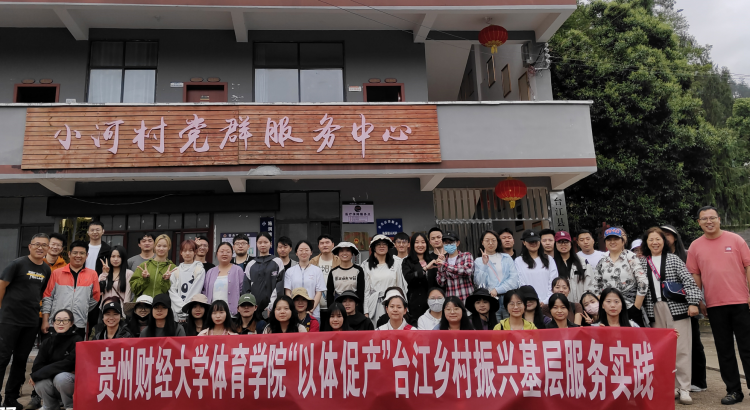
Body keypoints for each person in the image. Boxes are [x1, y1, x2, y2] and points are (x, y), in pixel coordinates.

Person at [686, 205, 750, 405]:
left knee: (747, 347)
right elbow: (695, 275)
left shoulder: (736, 240)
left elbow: (748, 266)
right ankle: (734, 391)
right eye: (704, 219)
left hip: (741, 302)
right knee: (724, 350)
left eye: (712, 218)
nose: (709, 222)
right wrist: (699, 300)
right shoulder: (695, 246)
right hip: (714, 305)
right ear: (699, 223)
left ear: (719, 219)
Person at [640, 227, 700, 405]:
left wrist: (693, 302)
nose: (655, 243)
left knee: (681, 349)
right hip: (652, 310)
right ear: (646, 243)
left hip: (676, 309)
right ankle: (669, 386)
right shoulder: (642, 262)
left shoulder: (673, 259)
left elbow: (688, 281)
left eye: (658, 239)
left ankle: (684, 388)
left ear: (664, 241)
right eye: (651, 240)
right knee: (660, 350)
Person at [0, 233, 51, 409]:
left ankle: (10, 399)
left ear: (48, 248)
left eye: (44, 245)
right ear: (30, 246)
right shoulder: (17, 264)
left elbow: (40, 293)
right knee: (2, 358)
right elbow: (2, 286)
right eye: (37, 244)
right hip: (9, 320)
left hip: (30, 322)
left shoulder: (46, 269)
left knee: (21, 360)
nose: (40, 248)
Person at [663, 224, 707, 393]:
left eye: (668, 234)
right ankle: (674, 382)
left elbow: (696, 279)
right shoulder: (657, 257)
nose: (665, 238)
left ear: (675, 237)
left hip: (688, 304)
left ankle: (699, 381)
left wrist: (697, 301)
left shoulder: (687, 255)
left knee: (694, 342)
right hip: (668, 306)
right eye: (662, 235)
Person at [42, 241, 100, 339]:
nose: (78, 256)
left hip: (79, 323)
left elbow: (95, 298)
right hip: (56, 322)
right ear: (69, 254)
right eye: (75, 253)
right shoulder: (57, 273)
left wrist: (82, 308)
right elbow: (48, 297)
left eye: (82, 253)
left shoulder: (92, 274)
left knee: (75, 349)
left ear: (87, 255)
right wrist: (45, 321)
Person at [592, 227, 648, 327]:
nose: (612, 242)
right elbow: (596, 285)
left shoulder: (631, 257)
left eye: (616, 239)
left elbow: (642, 281)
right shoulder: (602, 261)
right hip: (610, 310)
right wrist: (605, 303)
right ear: (605, 243)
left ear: (623, 241)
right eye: (609, 240)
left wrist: (636, 307)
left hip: (630, 306)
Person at [29, 309, 80, 410]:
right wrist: (37, 375)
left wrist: (40, 373)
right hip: (52, 383)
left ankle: (70, 406)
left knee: (61, 378)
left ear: (71, 323)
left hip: (68, 382)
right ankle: (50, 406)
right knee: (40, 381)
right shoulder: (47, 342)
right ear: (53, 323)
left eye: (65, 320)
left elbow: (68, 363)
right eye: (58, 320)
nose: (61, 323)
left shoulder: (77, 340)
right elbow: (37, 366)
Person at [474, 230, 519, 320]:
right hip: (491, 299)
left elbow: (514, 281)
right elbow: (479, 283)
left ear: (498, 242)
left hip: (508, 298)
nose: (490, 243)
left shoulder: (506, 258)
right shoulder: (478, 261)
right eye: (487, 240)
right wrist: (484, 265)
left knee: (510, 325)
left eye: (493, 240)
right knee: (494, 325)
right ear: (482, 242)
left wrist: (497, 290)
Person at [363, 235, 408, 326]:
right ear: (373, 247)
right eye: (378, 244)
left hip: (393, 302)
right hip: (374, 303)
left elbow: (400, 286)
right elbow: (366, 291)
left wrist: (403, 304)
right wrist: (366, 311)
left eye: (384, 244)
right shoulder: (366, 265)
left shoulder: (396, 263)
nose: (381, 246)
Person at [243, 233, 285, 320]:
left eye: (266, 242)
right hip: (254, 309)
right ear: (256, 244)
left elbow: (279, 286)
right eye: (260, 242)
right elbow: (246, 287)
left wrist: (271, 305)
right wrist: (251, 305)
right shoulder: (251, 264)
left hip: (273, 308)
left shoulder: (277, 262)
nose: (263, 245)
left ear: (271, 244)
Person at [401, 233, 439, 324]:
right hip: (415, 301)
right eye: (417, 242)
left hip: (433, 300)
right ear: (412, 244)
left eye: (423, 242)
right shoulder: (407, 261)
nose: (420, 245)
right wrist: (425, 269)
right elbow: (409, 277)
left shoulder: (432, 260)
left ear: (427, 244)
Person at [284, 240, 325, 322]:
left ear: (311, 252)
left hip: (313, 314)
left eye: (306, 250)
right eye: (301, 250)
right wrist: (294, 308)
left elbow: (319, 292)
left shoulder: (317, 271)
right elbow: (288, 292)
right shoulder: (290, 271)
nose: (304, 252)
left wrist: (311, 309)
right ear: (296, 253)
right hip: (295, 313)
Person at [516, 230, 558, 304]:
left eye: (536, 241)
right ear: (524, 242)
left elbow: (554, 281)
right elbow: (520, 282)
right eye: (530, 242)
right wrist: (533, 299)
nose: (534, 244)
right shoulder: (518, 261)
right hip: (529, 302)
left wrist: (546, 300)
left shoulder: (549, 259)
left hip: (549, 302)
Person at [130, 234, 177, 299]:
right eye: (159, 246)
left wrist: (165, 280)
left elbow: (174, 292)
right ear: (155, 246)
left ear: (169, 247)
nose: (161, 249)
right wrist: (144, 279)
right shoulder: (144, 265)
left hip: (161, 304)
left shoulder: (173, 268)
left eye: (164, 246)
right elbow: (134, 289)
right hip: (144, 304)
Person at [204, 242, 244, 316]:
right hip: (213, 314)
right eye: (222, 251)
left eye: (228, 252)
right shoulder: (210, 272)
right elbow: (205, 292)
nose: (224, 254)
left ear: (232, 254)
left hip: (232, 314)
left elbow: (242, 291)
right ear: (217, 254)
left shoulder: (238, 270)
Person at [553, 230, 592, 305]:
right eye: (560, 242)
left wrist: (586, 300)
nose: (563, 244)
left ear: (570, 244)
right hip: (560, 305)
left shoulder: (583, 262)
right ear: (555, 244)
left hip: (582, 303)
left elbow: (590, 282)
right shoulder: (552, 264)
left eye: (566, 242)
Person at [170, 239, 206, 322]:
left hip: (192, 310)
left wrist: (186, 308)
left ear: (195, 252)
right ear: (181, 252)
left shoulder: (199, 270)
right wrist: (181, 307)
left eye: (190, 250)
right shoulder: (175, 271)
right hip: (176, 312)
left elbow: (196, 290)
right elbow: (172, 291)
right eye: (184, 250)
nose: (187, 253)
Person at [327, 242, 365, 314]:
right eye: (341, 251)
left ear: (352, 254)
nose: (344, 253)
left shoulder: (358, 270)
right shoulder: (333, 271)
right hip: (338, 306)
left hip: (354, 306)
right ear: (338, 254)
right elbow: (329, 294)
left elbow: (361, 292)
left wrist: (359, 310)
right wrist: (331, 309)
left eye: (348, 250)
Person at [435, 231, 474, 302]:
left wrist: (445, 265)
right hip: (451, 301)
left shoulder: (466, 255)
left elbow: (468, 271)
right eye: (446, 243)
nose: (448, 245)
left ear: (458, 243)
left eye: (451, 242)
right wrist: (440, 266)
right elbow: (441, 283)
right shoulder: (444, 261)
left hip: (467, 299)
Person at [310, 234, 340, 325]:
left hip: (335, 305)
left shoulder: (339, 261)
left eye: (327, 242)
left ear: (333, 244)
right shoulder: (313, 262)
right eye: (322, 243)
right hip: (316, 307)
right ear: (318, 246)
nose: (325, 245)